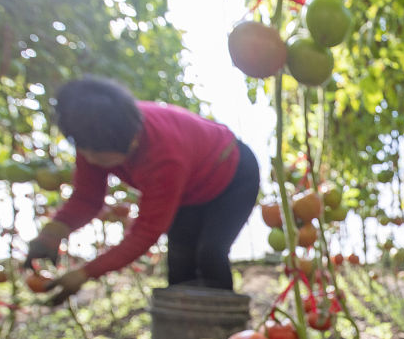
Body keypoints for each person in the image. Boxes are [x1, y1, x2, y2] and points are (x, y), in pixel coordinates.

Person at [25, 76, 260, 304]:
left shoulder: (163, 155)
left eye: (98, 155)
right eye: (86, 151)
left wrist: (85, 273)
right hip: (190, 190)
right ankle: (183, 328)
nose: (91, 160)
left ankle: (225, 325)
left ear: (131, 141)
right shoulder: (94, 136)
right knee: (180, 262)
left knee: (210, 254)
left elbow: (145, 232)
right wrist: (51, 235)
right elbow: (87, 198)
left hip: (233, 174)